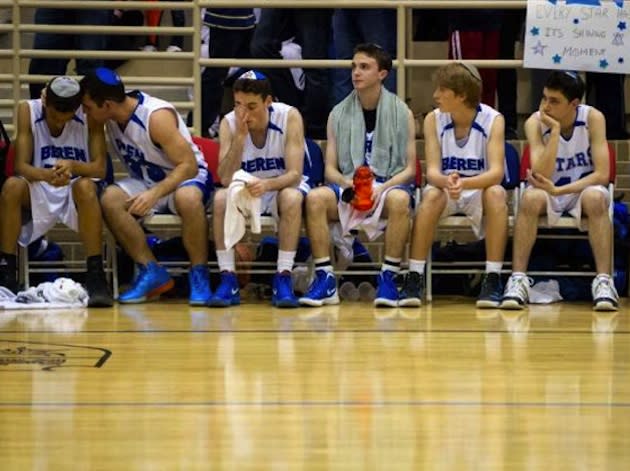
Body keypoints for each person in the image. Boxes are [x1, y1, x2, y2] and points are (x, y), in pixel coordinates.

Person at [79, 67, 213, 305]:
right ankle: (150, 269)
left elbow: (188, 165)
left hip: (184, 177)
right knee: (110, 198)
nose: (84, 112)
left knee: (188, 198)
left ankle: (199, 272)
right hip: (147, 181)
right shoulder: (106, 119)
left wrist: (155, 193)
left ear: (107, 105)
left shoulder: (155, 116)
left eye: (88, 107)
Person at [299, 43, 416, 308]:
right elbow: (330, 169)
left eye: (364, 67)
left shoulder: (402, 113)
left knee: (399, 201)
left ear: (382, 74)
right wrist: (347, 183)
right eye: (354, 66)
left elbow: (410, 169)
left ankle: (388, 278)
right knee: (315, 198)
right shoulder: (338, 113)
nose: (356, 72)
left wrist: (383, 187)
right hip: (350, 183)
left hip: (387, 183)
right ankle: (325, 279)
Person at [501, 71, 618, 311]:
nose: (546, 106)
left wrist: (560, 189)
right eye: (544, 98)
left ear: (574, 104)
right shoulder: (535, 122)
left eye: (554, 101)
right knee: (529, 198)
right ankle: (518, 279)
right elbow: (540, 172)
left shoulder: (593, 118)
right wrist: (554, 132)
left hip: (582, 190)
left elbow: (602, 174)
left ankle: (604, 281)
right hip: (547, 188)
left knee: (597, 198)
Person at [401, 62, 507, 308]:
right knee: (431, 196)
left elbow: (496, 173)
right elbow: (433, 172)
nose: (435, 95)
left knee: (497, 194)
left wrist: (465, 182)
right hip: (446, 188)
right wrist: (447, 182)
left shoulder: (494, 120)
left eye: (442, 90)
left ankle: (493, 279)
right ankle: (415, 276)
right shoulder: (432, 119)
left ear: (461, 95)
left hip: (479, 188)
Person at [0, 76, 113, 306]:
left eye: (66, 117)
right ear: (45, 103)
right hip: (41, 182)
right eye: (54, 116)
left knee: (86, 186)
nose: (60, 122)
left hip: (76, 185)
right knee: (11, 186)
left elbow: (99, 169)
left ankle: (95, 273)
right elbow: (20, 166)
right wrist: (47, 175)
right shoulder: (27, 110)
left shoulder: (90, 115)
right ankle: (7, 272)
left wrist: (72, 167)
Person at [209, 70, 308, 308]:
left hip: (279, 185)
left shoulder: (290, 116)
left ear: (268, 101)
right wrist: (240, 138)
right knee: (221, 198)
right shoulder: (229, 122)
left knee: (292, 198)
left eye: (251, 106)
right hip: (244, 188)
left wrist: (267, 185)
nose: (243, 113)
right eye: (238, 105)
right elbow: (224, 177)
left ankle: (283, 276)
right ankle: (228, 278)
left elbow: (294, 173)